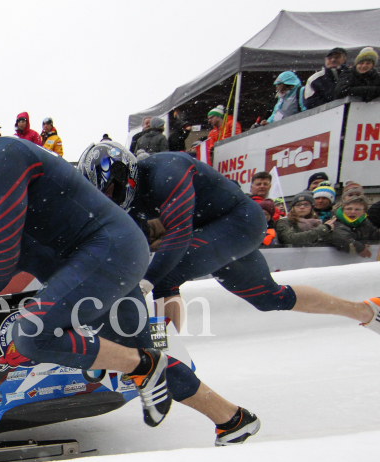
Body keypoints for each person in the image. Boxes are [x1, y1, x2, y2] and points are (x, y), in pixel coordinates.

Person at [0, 131, 256, 446]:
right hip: (98, 263)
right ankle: (232, 419)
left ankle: (142, 366)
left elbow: (3, 253)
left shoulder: (2, 156)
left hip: (108, 252)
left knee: (32, 335)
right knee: (147, 362)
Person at [85, 144, 380, 352]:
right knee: (269, 297)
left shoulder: (167, 170)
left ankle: (166, 351)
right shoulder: (130, 195)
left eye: (112, 190)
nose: (111, 199)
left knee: (164, 275)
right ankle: (365, 311)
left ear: (127, 174)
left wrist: (146, 281)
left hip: (240, 222)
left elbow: (179, 234)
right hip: (218, 231)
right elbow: (128, 242)